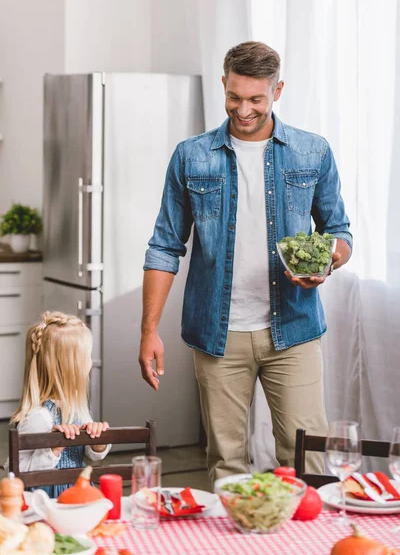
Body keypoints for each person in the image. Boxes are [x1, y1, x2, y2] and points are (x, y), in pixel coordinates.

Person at [139, 41, 352, 484]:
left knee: (307, 460)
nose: (243, 109)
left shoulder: (312, 152)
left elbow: (339, 232)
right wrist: (148, 331)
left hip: (293, 328)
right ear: (224, 84)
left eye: (256, 98)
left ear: (277, 91)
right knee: (226, 466)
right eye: (234, 97)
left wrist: (325, 263)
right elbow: (164, 246)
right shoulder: (191, 156)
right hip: (218, 334)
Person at [6, 311, 111, 497]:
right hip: (47, 501)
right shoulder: (38, 417)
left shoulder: (78, 409)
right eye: (86, 356)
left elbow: (87, 455)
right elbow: (13, 471)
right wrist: (52, 448)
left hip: (77, 493)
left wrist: (97, 444)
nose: (90, 362)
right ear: (69, 368)